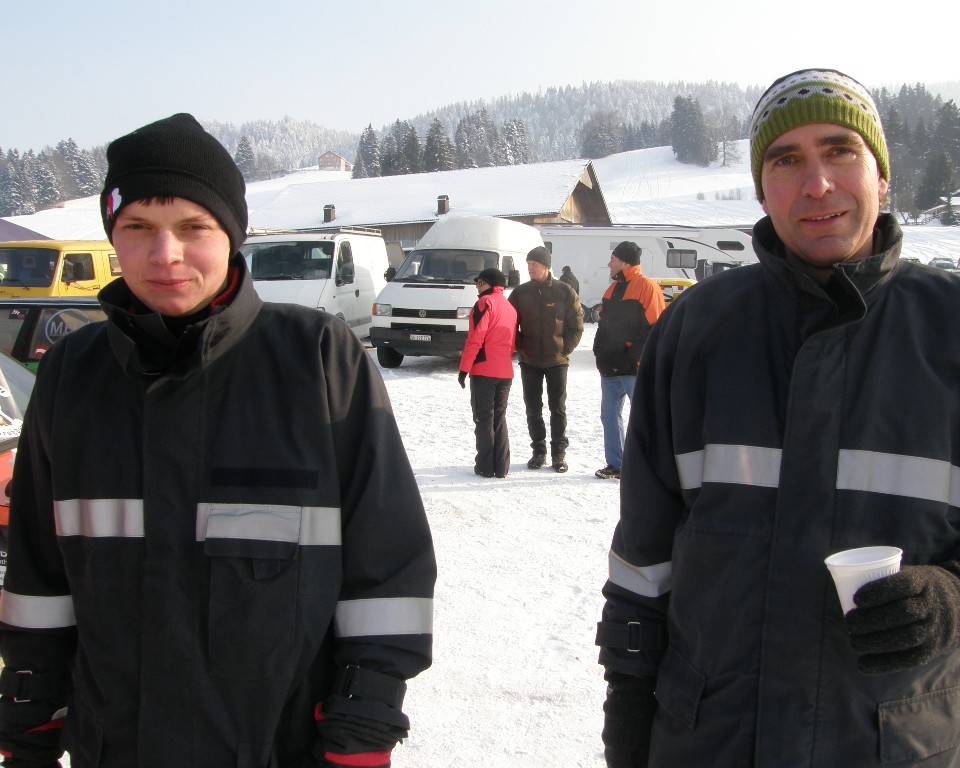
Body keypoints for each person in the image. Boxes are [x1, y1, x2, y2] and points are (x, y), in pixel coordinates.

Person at [596, 69, 960, 767]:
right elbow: (644, 557)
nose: (816, 183)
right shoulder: (697, 331)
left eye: (839, 151)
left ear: (882, 175)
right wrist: (628, 718)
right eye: (786, 160)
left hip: (899, 747)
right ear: (762, 190)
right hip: (708, 742)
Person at [0, 114, 436, 768]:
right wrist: (28, 733)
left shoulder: (317, 360)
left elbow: (389, 573)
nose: (165, 253)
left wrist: (360, 738)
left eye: (193, 227)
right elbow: (39, 580)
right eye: (137, 228)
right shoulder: (72, 375)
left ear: (233, 235)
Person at [508, 246, 584, 473]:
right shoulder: (520, 293)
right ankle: (538, 451)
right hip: (529, 361)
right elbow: (510, 325)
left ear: (546, 266)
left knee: (557, 409)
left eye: (534, 264)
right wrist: (521, 347)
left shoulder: (565, 291)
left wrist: (563, 350)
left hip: (556, 362)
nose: (530, 268)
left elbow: (576, 327)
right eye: (528, 264)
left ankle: (558, 454)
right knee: (533, 409)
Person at [592, 241, 664, 480]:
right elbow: (603, 325)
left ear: (624, 262)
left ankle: (650, 467)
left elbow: (655, 327)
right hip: (609, 366)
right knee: (609, 418)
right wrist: (599, 350)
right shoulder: (611, 289)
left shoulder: (647, 287)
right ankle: (616, 464)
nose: (609, 264)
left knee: (644, 419)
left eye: (612, 260)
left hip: (634, 368)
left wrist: (633, 356)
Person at [458, 267, 517, 478]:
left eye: (480, 282)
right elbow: (511, 342)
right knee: (499, 418)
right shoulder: (509, 307)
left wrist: (464, 369)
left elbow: (475, 338)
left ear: (491, 284)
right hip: (505, 371)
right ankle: (501, 467)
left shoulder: (484, 303)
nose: (477, 286)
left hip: (484, 370)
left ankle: (485, 466)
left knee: (484, 419)